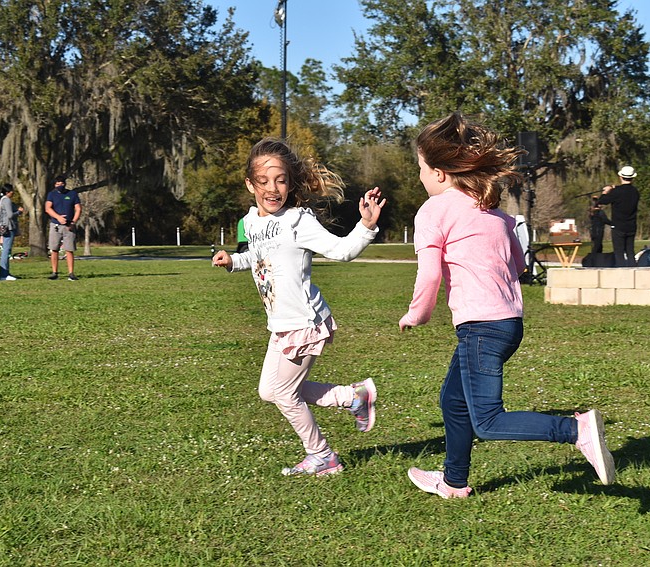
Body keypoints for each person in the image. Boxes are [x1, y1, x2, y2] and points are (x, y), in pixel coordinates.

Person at [398, 112, 615, 499]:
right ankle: (453, 481)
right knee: (454, 400)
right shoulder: (497, 215)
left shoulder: (433, 210)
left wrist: (417, 314)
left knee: (488, 421)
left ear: (441, 173)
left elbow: (429, 276)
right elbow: (518, 265)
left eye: (420, 168)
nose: (419, 176)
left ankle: (575, 430)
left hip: (480, 327)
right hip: (509, 324)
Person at [212, 137, 385, 477]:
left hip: (304, 322)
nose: (272, 188)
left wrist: (365, 226)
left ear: (290, 183)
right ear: (250, 184)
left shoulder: (298, 221)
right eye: (263, 181)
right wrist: (233, 260)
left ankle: (323, 457)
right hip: (280, 323)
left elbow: (342, 251)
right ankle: (353, 396)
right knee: (269, 391)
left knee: (285, 394)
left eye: (280, 180)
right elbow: (259, 256)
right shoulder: (252, 222)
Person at [598, 166, 640, 266]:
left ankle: (621, 272)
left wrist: (606, 191)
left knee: (619, 252)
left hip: (618, 226)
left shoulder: (616, 192)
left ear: (621, 177)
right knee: (630, 251)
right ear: (632, 178)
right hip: (631, 226)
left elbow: (602, 201)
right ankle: (634, 271)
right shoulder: (635, 192)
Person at [45, 175, 81, 281]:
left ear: (65, 184)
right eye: (57, 184)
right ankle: (54, 272)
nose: (59, 185)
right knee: (54, 249)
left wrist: (73, 222)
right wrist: (58, 218)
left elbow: (78, 209)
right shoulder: (51, 194)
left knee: (69, 249)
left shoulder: (72, 194)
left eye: (61, 183)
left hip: (69, 226)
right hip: (55, 225)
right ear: (54, 185)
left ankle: (71, 273)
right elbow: (48, 208)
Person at [0, 184, 24, 281]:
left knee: (6, 250)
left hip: (3, 227)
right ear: (8, 192)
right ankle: (4, 274)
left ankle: (5, 272)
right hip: (8, 227)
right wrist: (19, 212)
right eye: (11, 191)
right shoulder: (6, 200)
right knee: (6, 251)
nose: (13, 192)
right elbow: (10, 215)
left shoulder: (2, 200)